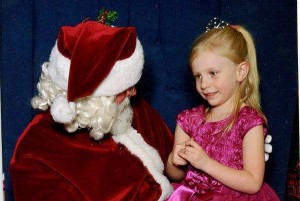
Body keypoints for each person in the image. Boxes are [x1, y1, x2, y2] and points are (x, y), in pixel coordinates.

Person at [10, 21, 174, 201]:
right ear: (97, 97)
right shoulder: (36, 146)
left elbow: (175, 160)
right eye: (124, 88)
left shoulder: (136, 109)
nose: (133, 92)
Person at [165, 18, 279, 200]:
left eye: (213, 73)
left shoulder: (249, 121)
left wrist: (206, 163)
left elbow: (253, 182)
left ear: (240, 72)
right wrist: (173, 161)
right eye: (198, 76)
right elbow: (176, 176)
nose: (204, 84)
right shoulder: (189, 120)